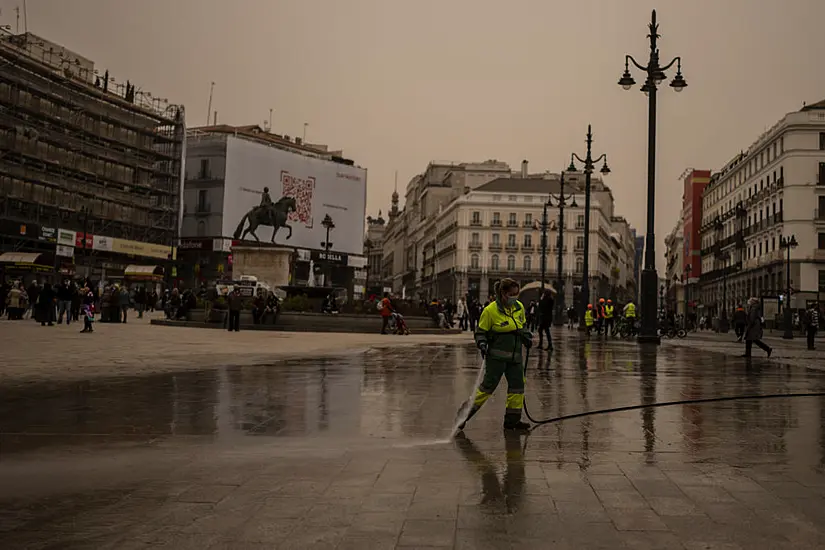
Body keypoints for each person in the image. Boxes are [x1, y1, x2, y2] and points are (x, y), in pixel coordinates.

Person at [458, 278, 532, 432]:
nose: (515, 297)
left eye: (517, 294)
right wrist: (482, 344)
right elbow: (481, 332)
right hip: (496, 358)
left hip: (515, 357)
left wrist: (526, 337)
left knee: (517, 388)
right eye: (512, 294)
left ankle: (512, 421)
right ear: (503, 294)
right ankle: (464, 414)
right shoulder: (490, 310)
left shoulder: (519, 307)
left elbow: (522, 325)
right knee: (486, 389)